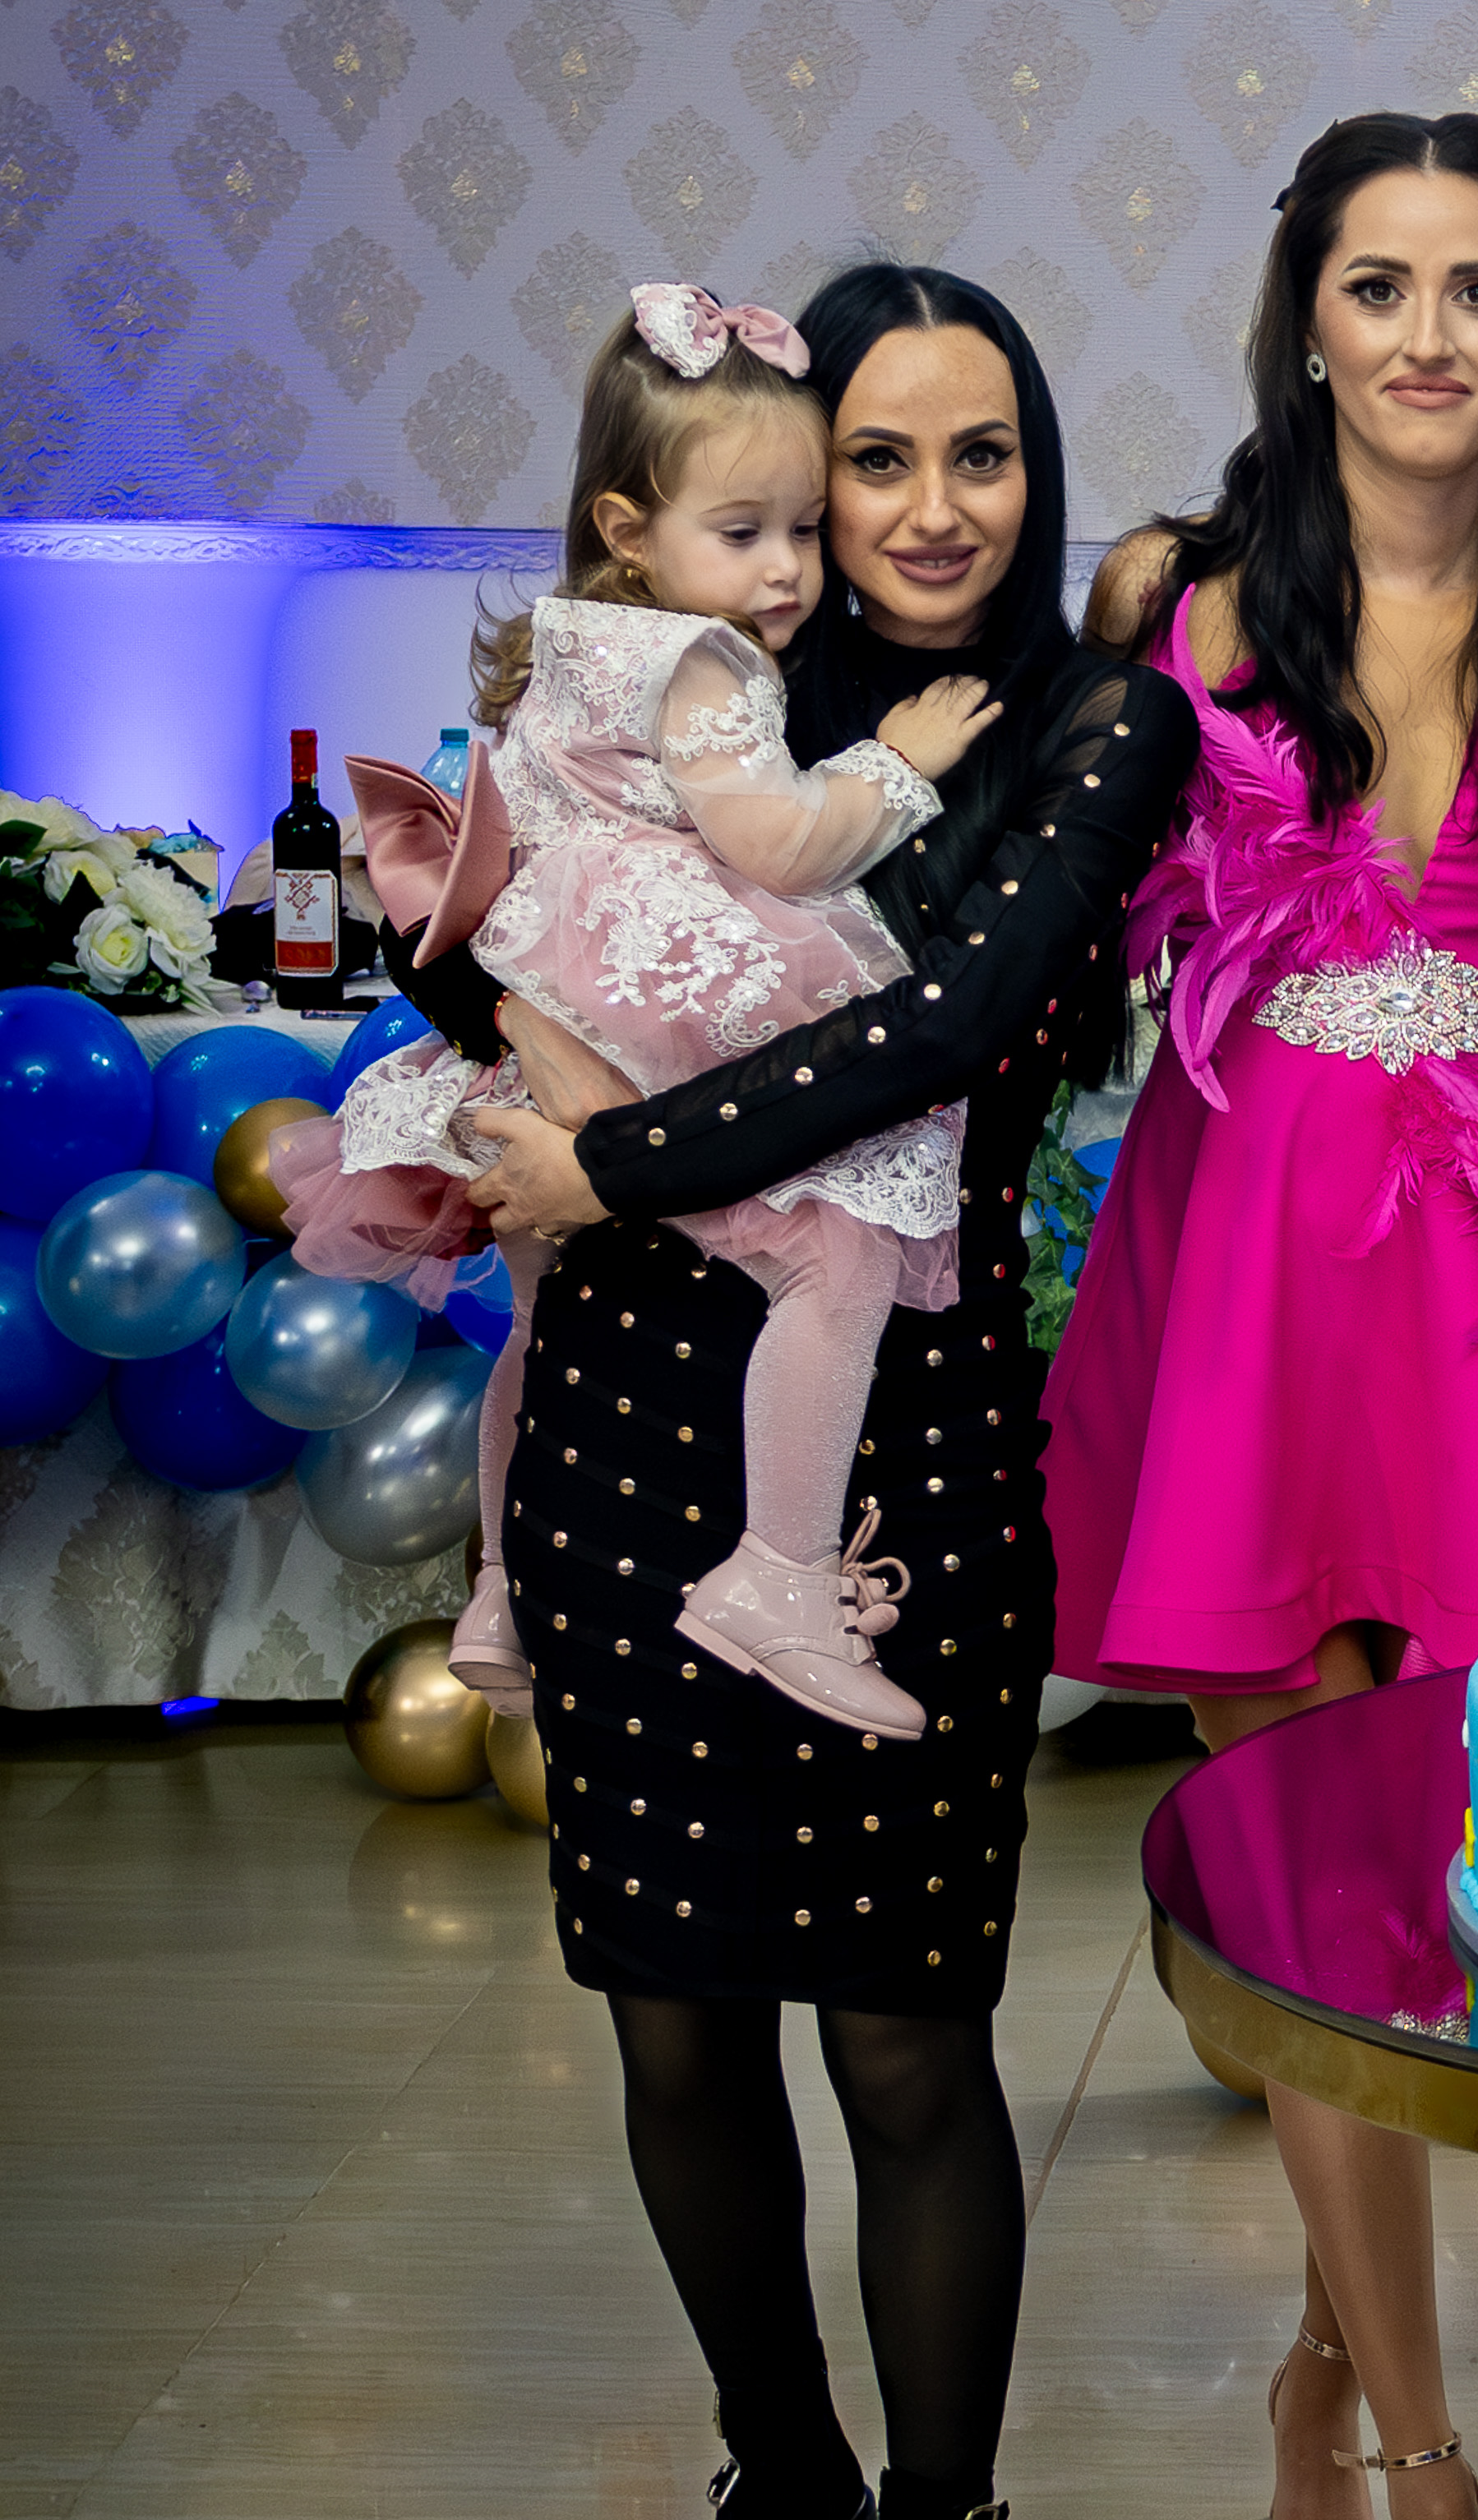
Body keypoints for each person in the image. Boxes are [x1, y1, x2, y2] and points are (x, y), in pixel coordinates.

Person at [424, 261, 1197, 2520]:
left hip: (898, 1438)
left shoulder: (1094, 728)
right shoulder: (698, 682)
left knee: (897, 2037)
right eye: (877, 457)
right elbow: (507, 929)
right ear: (790, 474)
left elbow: (946, 1029)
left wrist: (604, 1156)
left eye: (985, 455)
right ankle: (790, 2482)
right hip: (628, 1410)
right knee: (670, 2018)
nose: (930, 508)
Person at [1042, 109, 1478, 2520]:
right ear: (1306, 313)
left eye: (1476, 288)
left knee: (1425, 1900)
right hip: (1240, 1300)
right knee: (1302, 1905)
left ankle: (1315, 2361)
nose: (1426, 334)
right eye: (1378, 284)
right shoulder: (1174, 605)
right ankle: (1426, 2464)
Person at [279, 283, 1002, 1738]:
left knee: (535, 1327)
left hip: (542, 1019)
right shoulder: (705, 662)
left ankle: (500, 1585)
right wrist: (897, 765)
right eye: (744, 533)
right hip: (649, 1011)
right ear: (628, 528)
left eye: (804, 528)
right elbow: (778, 844)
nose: (787, 569)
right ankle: (779, 1572)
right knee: (840, 1253)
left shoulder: (572, 648)